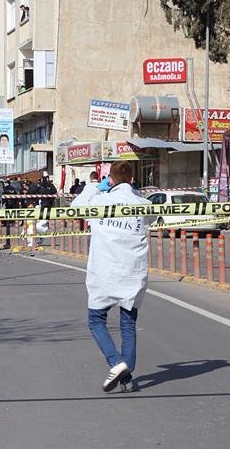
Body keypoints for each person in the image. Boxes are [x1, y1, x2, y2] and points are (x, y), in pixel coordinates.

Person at [79, 161, 151, 393]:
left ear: (110, 179)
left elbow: (76, 205)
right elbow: (152, 216)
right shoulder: (143, 204)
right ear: (132, 178)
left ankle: (116, 362)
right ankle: (127, 379)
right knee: (128, 325)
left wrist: (94, 187)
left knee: (96, 321)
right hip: (132, 273)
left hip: (104, 271)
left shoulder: (99, 201)